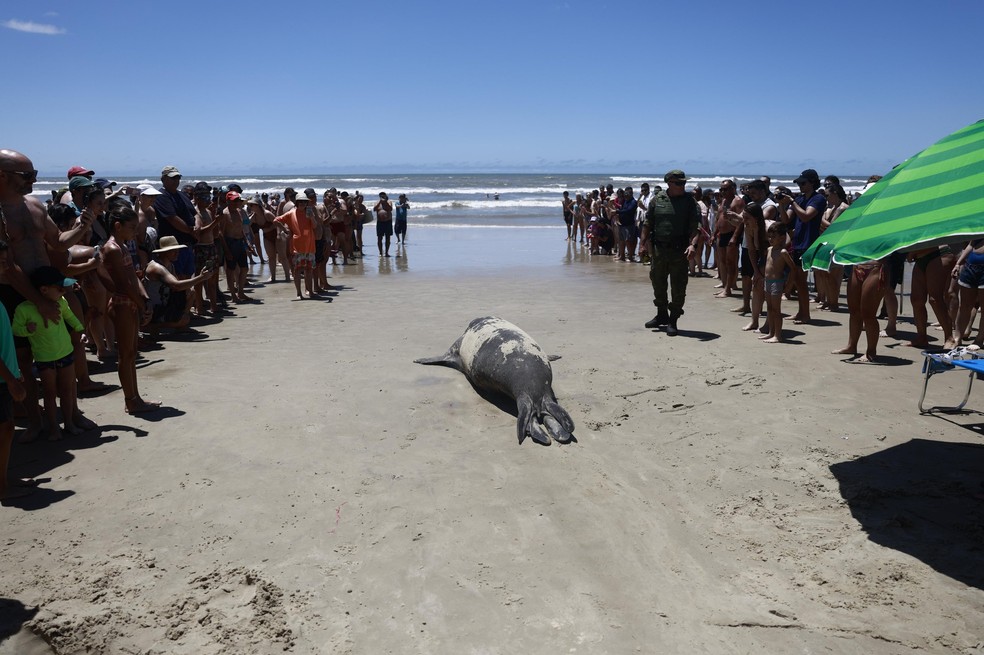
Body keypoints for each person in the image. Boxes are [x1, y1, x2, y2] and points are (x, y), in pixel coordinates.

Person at [12, 266, 87, 440]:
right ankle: (53, 427)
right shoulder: (24, 309)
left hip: (66, 354)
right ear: (44, 289)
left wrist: (80, 330)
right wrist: (27, 330)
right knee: (49, 394)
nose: (63, 291)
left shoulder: (61, 302)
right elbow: (15, 329)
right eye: (60, 288)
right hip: (44, 359)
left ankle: (69, 423)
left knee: (67, 391)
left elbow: (70, 317)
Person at [102, 206, 160, 414]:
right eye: (132, 227)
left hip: (130, 301)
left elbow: (133, 277)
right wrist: (142, 303)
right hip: (122, 303)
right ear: (118, 226)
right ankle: (131, 400)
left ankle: (135, 397)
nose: (136, 231)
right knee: (125, 354)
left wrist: (144, 299)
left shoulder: (122, 246)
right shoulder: (112, 249)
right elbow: (124, 284)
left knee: (131, 353)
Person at [641, 170, 701, 336]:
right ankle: (661, 314)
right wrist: (642, 244)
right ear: (669, 183)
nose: (682, 186)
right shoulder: (657, 199)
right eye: (679, 183)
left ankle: (673, 319)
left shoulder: (689, 201)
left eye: (684, 183)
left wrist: (693, 245)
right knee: (658, 283)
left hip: (679, 252)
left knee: (678, 287)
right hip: (659, 251)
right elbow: (647, 223)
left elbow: (696, 227)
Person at [0, 240, 29, 499]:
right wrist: (10, 379)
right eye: (1, 261)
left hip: (6, 374)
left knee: (7, 427)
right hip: (2, 378)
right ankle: (2, 486)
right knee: (5, 428)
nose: (6, 266)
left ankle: (4, 478)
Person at [778, 169, 826, 324]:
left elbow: (806, 216)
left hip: (809, 243)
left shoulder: (818, 198)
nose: (800, 186)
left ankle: (805, 314)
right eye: (799, 183)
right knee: (799, 281)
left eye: (803, 183)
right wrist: (781, 205)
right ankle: (801, 312)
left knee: (802, 281)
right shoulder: (799, 199)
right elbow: (786, 220)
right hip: (798, 242)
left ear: (812, 183)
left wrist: (792, 202)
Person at [143, 236, 215, 332]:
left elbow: (179, 287)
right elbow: (176, 285)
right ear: (164, 252)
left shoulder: (170, 265)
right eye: (173, 251)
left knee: (190, 292)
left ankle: (177, 321)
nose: (177, 253)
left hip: (165, 304)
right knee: (184, 320)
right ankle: (153, 326)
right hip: (154, 309)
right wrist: (200, 278)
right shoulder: (156, 267)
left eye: (177, 250)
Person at [153, 166, 197, 278]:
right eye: (173, 178)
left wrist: (197, 227)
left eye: (178, 178)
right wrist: (191, 231)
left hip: (187, 244)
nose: (176, 181)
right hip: (172, 247)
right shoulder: (161, 196)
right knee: (176, 278)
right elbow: (172, 219)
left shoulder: (182, 195)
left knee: (188, 277)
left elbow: (194, 213)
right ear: (163, 179)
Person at [760, 223, 796, 344]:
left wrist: (789, 285)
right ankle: (771, 332)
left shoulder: (783, 252)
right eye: (769, 236)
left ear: (781, 238)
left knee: (776, 310)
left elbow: (793, 268)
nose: (770, 239)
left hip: (777, 282)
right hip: (767, 282)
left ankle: (778, 335)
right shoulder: (769, 249)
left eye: (773, 237)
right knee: (769, 308)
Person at [274, 195, 317, 299]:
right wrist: (284, 229)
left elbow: (315, 226)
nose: (303, 204)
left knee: (309, 270)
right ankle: (299, 293)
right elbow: (275, 220)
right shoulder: (291, 213)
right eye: (300, 201)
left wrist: (312, 217)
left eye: (304, 202)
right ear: (297, 202)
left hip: (310, 246)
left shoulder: (309, 213)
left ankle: (310, 291)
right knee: (297, 270)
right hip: (297, 247)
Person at [713, 179, 744, 298]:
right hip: (721, 234)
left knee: (731, 262)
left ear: (732, 189)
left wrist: (735, 237)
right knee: (722, 261)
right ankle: (725, 285)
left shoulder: (738, 201)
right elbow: (719, 217)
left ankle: (728, 289)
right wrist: (714, 233)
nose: (722, 191)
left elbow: (741, 221)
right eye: (721, 189)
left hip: (731, 234)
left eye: (725, 189)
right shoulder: (724, 200)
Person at [953, 238, 984, 348]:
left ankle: (979, 339)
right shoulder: (979, 229)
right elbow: (971, 245)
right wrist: (958, 263)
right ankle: (957, 338)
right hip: (970, 267)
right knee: (964, 306)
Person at [220, 191, 250, 303]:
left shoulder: (238, 211)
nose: (236, 203)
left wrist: (247, 243)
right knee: (230, 270)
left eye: (237, 200)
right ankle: (233, 295)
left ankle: (240, 291)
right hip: (230, 242)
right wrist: (226, 250)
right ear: (228, 201)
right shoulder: (225, 214)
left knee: (244, 268)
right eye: (234, 201)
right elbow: (221, 233)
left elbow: (241, 229)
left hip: (240, 241)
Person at [374, 192, 394, 257]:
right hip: (380, 222)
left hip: (387, 222)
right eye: (381, 196)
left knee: (388, 238)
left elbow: (390, 209)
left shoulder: (389, 202)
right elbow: (374, 209)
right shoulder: (377, 202)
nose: (382, 197)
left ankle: (386, 252)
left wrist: (385, 202)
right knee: (379, 238)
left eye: (383, 196)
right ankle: (380, 252)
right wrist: (380, 202)